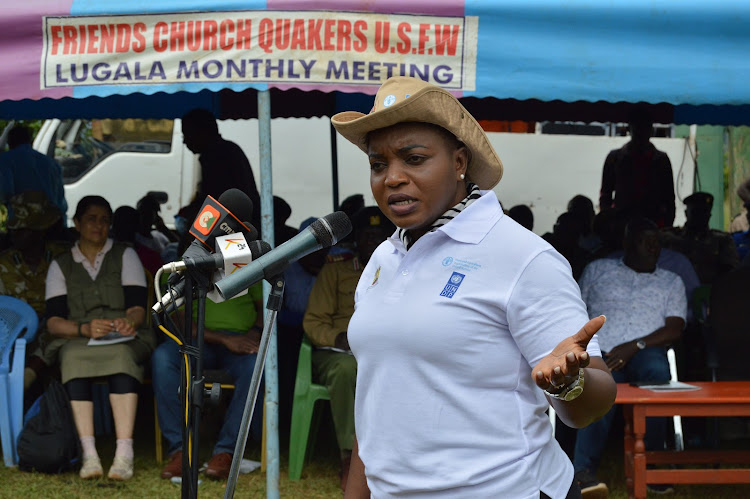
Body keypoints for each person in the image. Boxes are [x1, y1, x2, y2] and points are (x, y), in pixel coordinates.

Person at [331, 76, 617, 498]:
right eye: (378, 164)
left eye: (413, 158)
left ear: (460, 162)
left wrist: (566, 383)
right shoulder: (383, 260)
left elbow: (594, 400)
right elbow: (376, 406)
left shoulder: (521, 256)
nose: (392, 178)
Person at [44, 195, 156, 480]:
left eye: (105, 220)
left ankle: (124, 453)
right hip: (79, 337)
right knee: (72, 357)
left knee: (121, 357)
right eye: (92, 219)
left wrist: (128, 322)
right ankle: (89, 454)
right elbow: (54, 322)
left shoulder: (125, 254)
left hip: (121, 337)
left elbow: (137, 309)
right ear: (77, 223)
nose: (99, 225)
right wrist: (83, 329)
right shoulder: (61, 264)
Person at [573, 218, 686, 496]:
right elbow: (573, 308)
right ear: (626, 244)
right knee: (598, 382)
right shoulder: (598, 270)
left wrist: (635, 345)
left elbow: (676, 327)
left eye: (656, 241)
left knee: (657, 373)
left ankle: (654, 464)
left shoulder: (671, 281)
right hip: (600, 349)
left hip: (645, 349)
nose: (653, 247)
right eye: (645, 240)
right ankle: (582, 473)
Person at [303, 206, 394, 492]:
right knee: (346, 370)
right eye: (367, 235)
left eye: (378, 236)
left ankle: (392, 454)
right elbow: (314, 320)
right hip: (338, 354)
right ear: (356, 240)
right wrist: (340, 338)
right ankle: (349, 457)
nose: (372, 241)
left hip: (384, 352)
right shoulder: (336, 271)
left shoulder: (401, 271)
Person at [152, 281, 265, 481]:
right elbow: (180, 320)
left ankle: (226, 451)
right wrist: (225, 340)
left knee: (256, 365)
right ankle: (181, 450)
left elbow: (265, 305)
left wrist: (255, 332)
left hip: (241, 341)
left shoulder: (245, 262)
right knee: (162, 359)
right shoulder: (182, 268)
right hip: (194, 340)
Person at [0, 191, 69, 390]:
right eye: (13, 229)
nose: (14, 234)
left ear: (40, 231)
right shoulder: (4, 263)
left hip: (54, 329)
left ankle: (24, 381)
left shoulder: (63, 257)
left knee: (55, 328)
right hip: (13, 334)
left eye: (22, 229)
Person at [181, 108, 261, 230]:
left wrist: (195, 231)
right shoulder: (228, 149)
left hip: (231, 228)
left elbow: (214, 201)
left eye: (187, 134)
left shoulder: (215, 156)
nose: (184, 141)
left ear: (203, 132)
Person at [599, 106, 675, 228]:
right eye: (639, 127)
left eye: (645, 127)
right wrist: (609, 222)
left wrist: (665, 226)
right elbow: (605, 195)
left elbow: (669, 199)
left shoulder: (661, 160)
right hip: (623, 224)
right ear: (630, 128)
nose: (642, 132)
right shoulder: (615, 158)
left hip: (651, 223)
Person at [661, 192, 739, 285]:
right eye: (695, 212)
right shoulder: (670, 237)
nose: (699, 216)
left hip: (710, 293)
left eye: (703, 212)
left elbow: (731, 273)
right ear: (686, 213)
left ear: (709, 215)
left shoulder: (722, 241)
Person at [0, 125, 68, 222]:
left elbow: (5, 192)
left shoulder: (5, 160)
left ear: (9, 143)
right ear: (30, 141)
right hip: (52, 223)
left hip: (23, 224)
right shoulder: (51, 163)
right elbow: (61, 200)